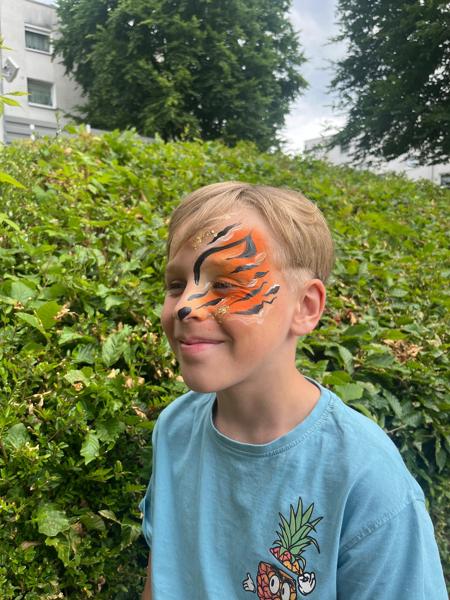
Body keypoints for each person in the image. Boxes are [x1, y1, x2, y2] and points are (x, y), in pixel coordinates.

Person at [140, 182, 447, 599]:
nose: (184, 306)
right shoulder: (175, 428)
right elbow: (164, 571)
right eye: (176, 285)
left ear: (305, 307)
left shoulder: (366, 477)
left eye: (226, 285)